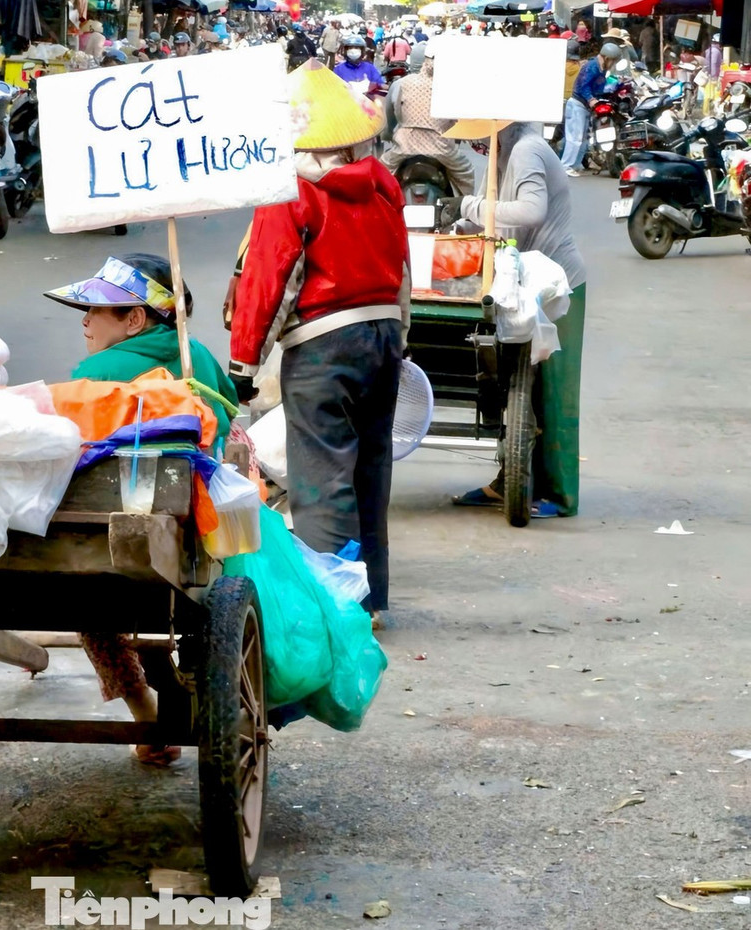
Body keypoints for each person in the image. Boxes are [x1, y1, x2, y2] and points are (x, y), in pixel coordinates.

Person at [228, 62, 409, 629]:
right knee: (370, 473)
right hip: (383, 337)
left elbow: (271, 280)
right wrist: (399, 338)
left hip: (324, 343)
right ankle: (370, 599)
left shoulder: (291, 192)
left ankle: (335, 608)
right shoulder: (383, 185)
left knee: (322, 477)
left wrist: (244, 363)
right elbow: (402, 272)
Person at [45, 253, 240, 765]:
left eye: (95, 311)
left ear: (134, 319)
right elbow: (230, 413)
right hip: (195, 534)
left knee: (86, 587)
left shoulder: (96, 372)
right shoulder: (199, 357)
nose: (85, 322)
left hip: (112, 540)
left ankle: (144, 712)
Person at [444, 122, 587, 518]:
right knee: (516, 386)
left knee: (553, 395)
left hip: (558, 287)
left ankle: (558, 495)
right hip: (525, 280)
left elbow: (530, 211)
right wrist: (461, 224)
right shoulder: (502, 154)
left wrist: (468, 206)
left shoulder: (526, 149)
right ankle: (509, 481)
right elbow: (496, 218)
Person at [379, 39, 476, 196]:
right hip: (442, 148)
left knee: (381, 174)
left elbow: (390, 117)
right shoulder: (450, 85)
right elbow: (457, 120)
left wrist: (388, 134)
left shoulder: (401, 84)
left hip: (404, 146)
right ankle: (464, 206)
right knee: (466, 172)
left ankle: (382, 207)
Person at [560, 41, 620, 176]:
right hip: (577, 105)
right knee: (575, 138)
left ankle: (575, 165)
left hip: (585, 107)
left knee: (583, 139)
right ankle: (566, 166)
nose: (613, 64)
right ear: (607, 58)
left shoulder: (601, 69)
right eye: (613, 61)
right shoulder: (592, 66)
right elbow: (583, 86)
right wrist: (591, 99)